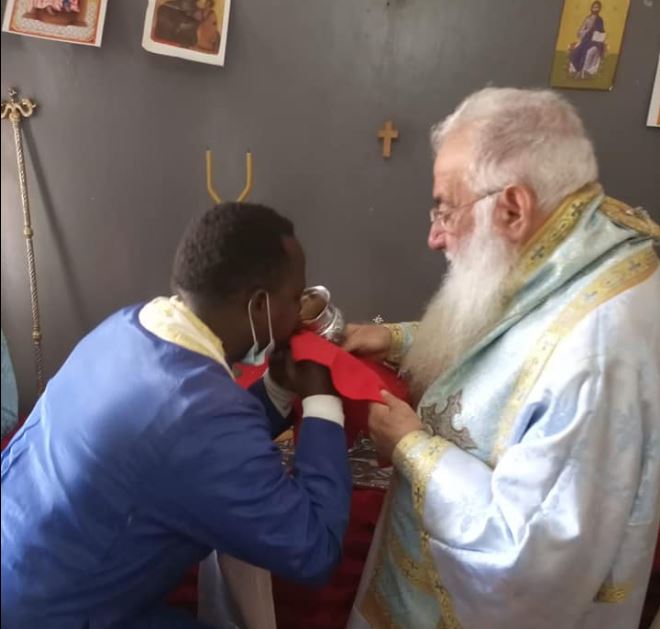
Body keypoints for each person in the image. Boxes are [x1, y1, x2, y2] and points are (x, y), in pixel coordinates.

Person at [344, 87, 660, 629]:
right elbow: (517, 331)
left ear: (513, 207)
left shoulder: (599, 354)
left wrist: (411, 449)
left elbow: (529, 559)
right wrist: (398, 339)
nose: (434, 236)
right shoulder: (572, 235)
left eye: (446, 208)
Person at [1, 203, 352, 629]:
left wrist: (276, 390)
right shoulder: (202, 410)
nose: (299, 314)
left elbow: (202, 452)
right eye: (295, 298)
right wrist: (321, 400)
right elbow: (314, 550)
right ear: (259, 304)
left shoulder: (125, 326)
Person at [569, 1, 606, 79]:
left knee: (585, 52)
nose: (595, 9)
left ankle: (580, 72)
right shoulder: (588, 18)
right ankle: (578, 70)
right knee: (575, 53)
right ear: (591, 8)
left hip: (594, 41)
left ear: (599, 9)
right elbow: (580, 31)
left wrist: (596, 33)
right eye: (594, 7)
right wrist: (586, 31)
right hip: (585, 39)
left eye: (597, 7)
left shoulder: (600, 19)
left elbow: (602, 32)